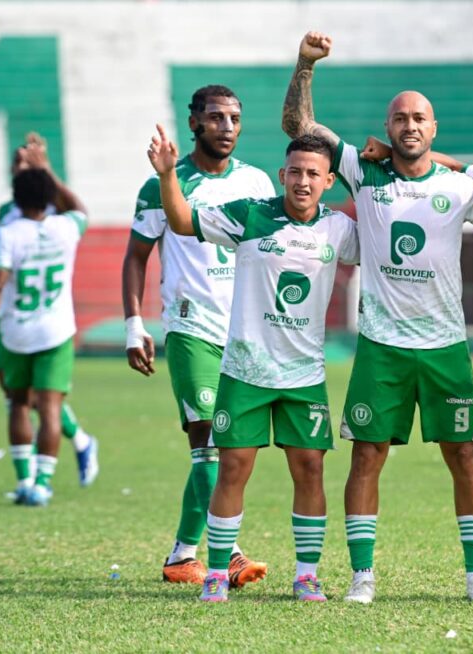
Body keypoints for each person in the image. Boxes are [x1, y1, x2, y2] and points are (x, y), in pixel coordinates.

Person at [283, 31, 473, 604]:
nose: (409, 125)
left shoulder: (460, 186)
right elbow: (299, 130)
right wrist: (306, 64)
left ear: (433, 129)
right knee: (367, 456)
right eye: (400, 117)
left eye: (419, 118)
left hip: (446, 345)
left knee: (465, 455)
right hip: (379, 344)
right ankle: (362, 577)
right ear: (389, 126)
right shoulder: (363, 171)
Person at [147, 127, 359, 602]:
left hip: (304, 376)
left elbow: (385, 252)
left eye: (314, 174)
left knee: (309, 470)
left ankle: (306, 575)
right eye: (296, 172)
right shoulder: (249, 215)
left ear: (328, 181)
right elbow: (182, 222)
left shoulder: (339, 229)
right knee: (232, 469)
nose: (303, 181)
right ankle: (218, 572)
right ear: (282, 175)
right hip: (244, 371)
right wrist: (166, 176)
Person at [123, 85, 273, 586]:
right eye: (215, 118)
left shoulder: (256, 181)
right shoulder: (164, 184)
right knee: (209, 442)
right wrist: (133, 326)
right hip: (191, 329)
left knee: (227, 451)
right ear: (194, 123)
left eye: (234, 118)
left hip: (246, 333)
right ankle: (226, 555)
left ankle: (183, 554)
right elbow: (135, 258)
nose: (226, 127)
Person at [0, 134, 98, 499]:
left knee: (21, 403)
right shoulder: (65, 226)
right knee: (44, 404)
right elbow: (79, 209)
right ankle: (38, 483)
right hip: (54, 328)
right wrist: (46, 171)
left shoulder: (9, 230)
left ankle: (31, 479)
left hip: (12, 327)